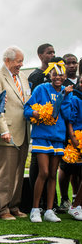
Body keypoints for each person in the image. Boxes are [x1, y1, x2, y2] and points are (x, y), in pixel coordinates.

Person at [24, 57, 73, 223]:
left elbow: (67, 116)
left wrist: (65, 98)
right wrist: (34, 113)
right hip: (42, 136)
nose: (58, 77)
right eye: (54, 74)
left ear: (65, 76)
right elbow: (26, 108)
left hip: (58, 137)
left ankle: (50, 210)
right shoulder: (41, 89)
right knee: (43, 172)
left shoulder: (67, 92)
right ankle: (35, 209)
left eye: (61, 75)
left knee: (52, 174)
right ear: (50, 75)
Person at [0, 46, 31, 220]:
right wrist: (3, 130)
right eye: (18, 61)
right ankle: (3, 208)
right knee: (5, 173)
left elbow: (26, 100)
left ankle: (14, 206)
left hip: (24, 131)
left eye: (22, 61)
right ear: (7, 60)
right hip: (6, 132)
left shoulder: (22, 76)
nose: (21, 65)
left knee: (18, 173)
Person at [27, 43, 56, 211]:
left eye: (53, 52)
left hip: (55, 132)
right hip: (40, 131)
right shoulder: (36, 76)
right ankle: (35, 203)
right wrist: (36, 115)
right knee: (38, 168)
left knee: (51, 171)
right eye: (48, 52)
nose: (52, 55)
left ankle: (51, 204)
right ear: (40, 55)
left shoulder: (58, 77)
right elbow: (29, 103)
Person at [58, 53, 81, 212]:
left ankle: (76, 199)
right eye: (69, 63)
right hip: (68, 131)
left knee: (78, 169)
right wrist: (72, 135)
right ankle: (65, 198)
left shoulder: (78, 79)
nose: (72, 65)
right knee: (66, 167)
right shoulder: (63, 83)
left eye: (74, 63)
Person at [68, 78, 82, 221]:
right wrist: (73, 138)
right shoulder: (75, 99)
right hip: (78, 138)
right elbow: (70, 121)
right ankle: (75, 206)